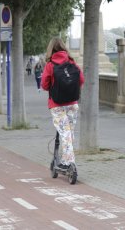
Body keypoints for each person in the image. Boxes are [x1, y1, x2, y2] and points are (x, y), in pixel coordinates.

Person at [41, 37, 85, 170]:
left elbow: (44, 85)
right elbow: (81, 80)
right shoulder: (72, 62)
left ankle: (69, 162)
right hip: (72, 103)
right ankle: (66, 160)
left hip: (56, 104)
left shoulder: (50, 65)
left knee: (64, 133)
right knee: (69, 132)